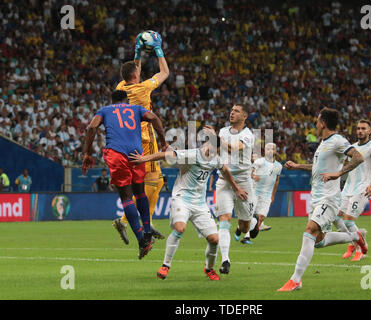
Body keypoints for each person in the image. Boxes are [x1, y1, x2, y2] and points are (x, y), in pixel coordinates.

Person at [129, 133, 248, 281]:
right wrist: (143, 159)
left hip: (200, 204)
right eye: (208, 147)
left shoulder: (215, 159)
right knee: (180, 228)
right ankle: (165, 265)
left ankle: (209, 269)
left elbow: (225, 170)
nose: (209, 151)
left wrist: (236, 189)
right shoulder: (192, 155)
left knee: (214, 239)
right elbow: (167, 154)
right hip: (182, 200)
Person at [277, 107, 367, 292]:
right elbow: (317, 168)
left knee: (309, 230)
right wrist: (297, 166)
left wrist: (338, 174)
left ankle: (296, 280)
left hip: (329, 198)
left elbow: (358, 157)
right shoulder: (323, 144)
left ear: (323, 123)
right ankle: (355, 236)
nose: (316, 125)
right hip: (316, 197)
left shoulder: (338, 141)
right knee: (318, 241)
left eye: (317, 121)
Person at [82, 90, 169, 259]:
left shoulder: (105, 110)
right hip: (136, 154)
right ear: (126, 100)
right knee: (140, 192)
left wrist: (87, 153)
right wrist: (163, 141)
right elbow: (154, 118)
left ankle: (142, 241)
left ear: (112, 100)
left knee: (127, 198)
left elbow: (92, 126)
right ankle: (148, 231)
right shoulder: (136, 109)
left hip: (117, 154)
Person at [112, 30, 170, 243]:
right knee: (153, 180)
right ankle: (127, 221)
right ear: (136, 76)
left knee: (158, 179)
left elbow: (132, 70)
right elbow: (165, 73)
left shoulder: (121, 87)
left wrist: (137, 52)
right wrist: (157, 50)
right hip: (145, 137)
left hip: (126, 138)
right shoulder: (143, 88)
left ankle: (147, 221)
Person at [208, 104, 256, 275]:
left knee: (244, 227)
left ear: (244, 116)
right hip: (224, 179)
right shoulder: (223, 131)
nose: (232, 113)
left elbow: (233, 149)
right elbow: (218, 149)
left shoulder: (248, 135)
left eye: (236, 111)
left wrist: (215, 138)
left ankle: (249, 224)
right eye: (231, 110)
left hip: (244, 181)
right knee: (224, 219)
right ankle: (225, 260)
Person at [334, 119, 371, 261]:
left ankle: (361, 248)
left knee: (349, 221)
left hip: (362, 190)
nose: (360, 131)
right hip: (347, 189)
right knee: (336, 218)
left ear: (369, 131)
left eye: (363, 128)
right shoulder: (352, 147)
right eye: (358, 128)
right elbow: (344, 165)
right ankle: (353, 242)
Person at [234, 142, 282, 244]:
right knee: (250, 215)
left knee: (261, 217)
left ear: (275, 151)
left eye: (272, 149)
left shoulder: (278, 166)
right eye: (268, 149)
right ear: (265, 151)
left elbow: (277, 180)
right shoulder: (259, 162)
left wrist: (273, 195)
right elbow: (249, 172)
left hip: (267, 195)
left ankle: (240, 228)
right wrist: (254, 176)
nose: (270, 150)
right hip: (255, 192)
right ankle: (246, 237)